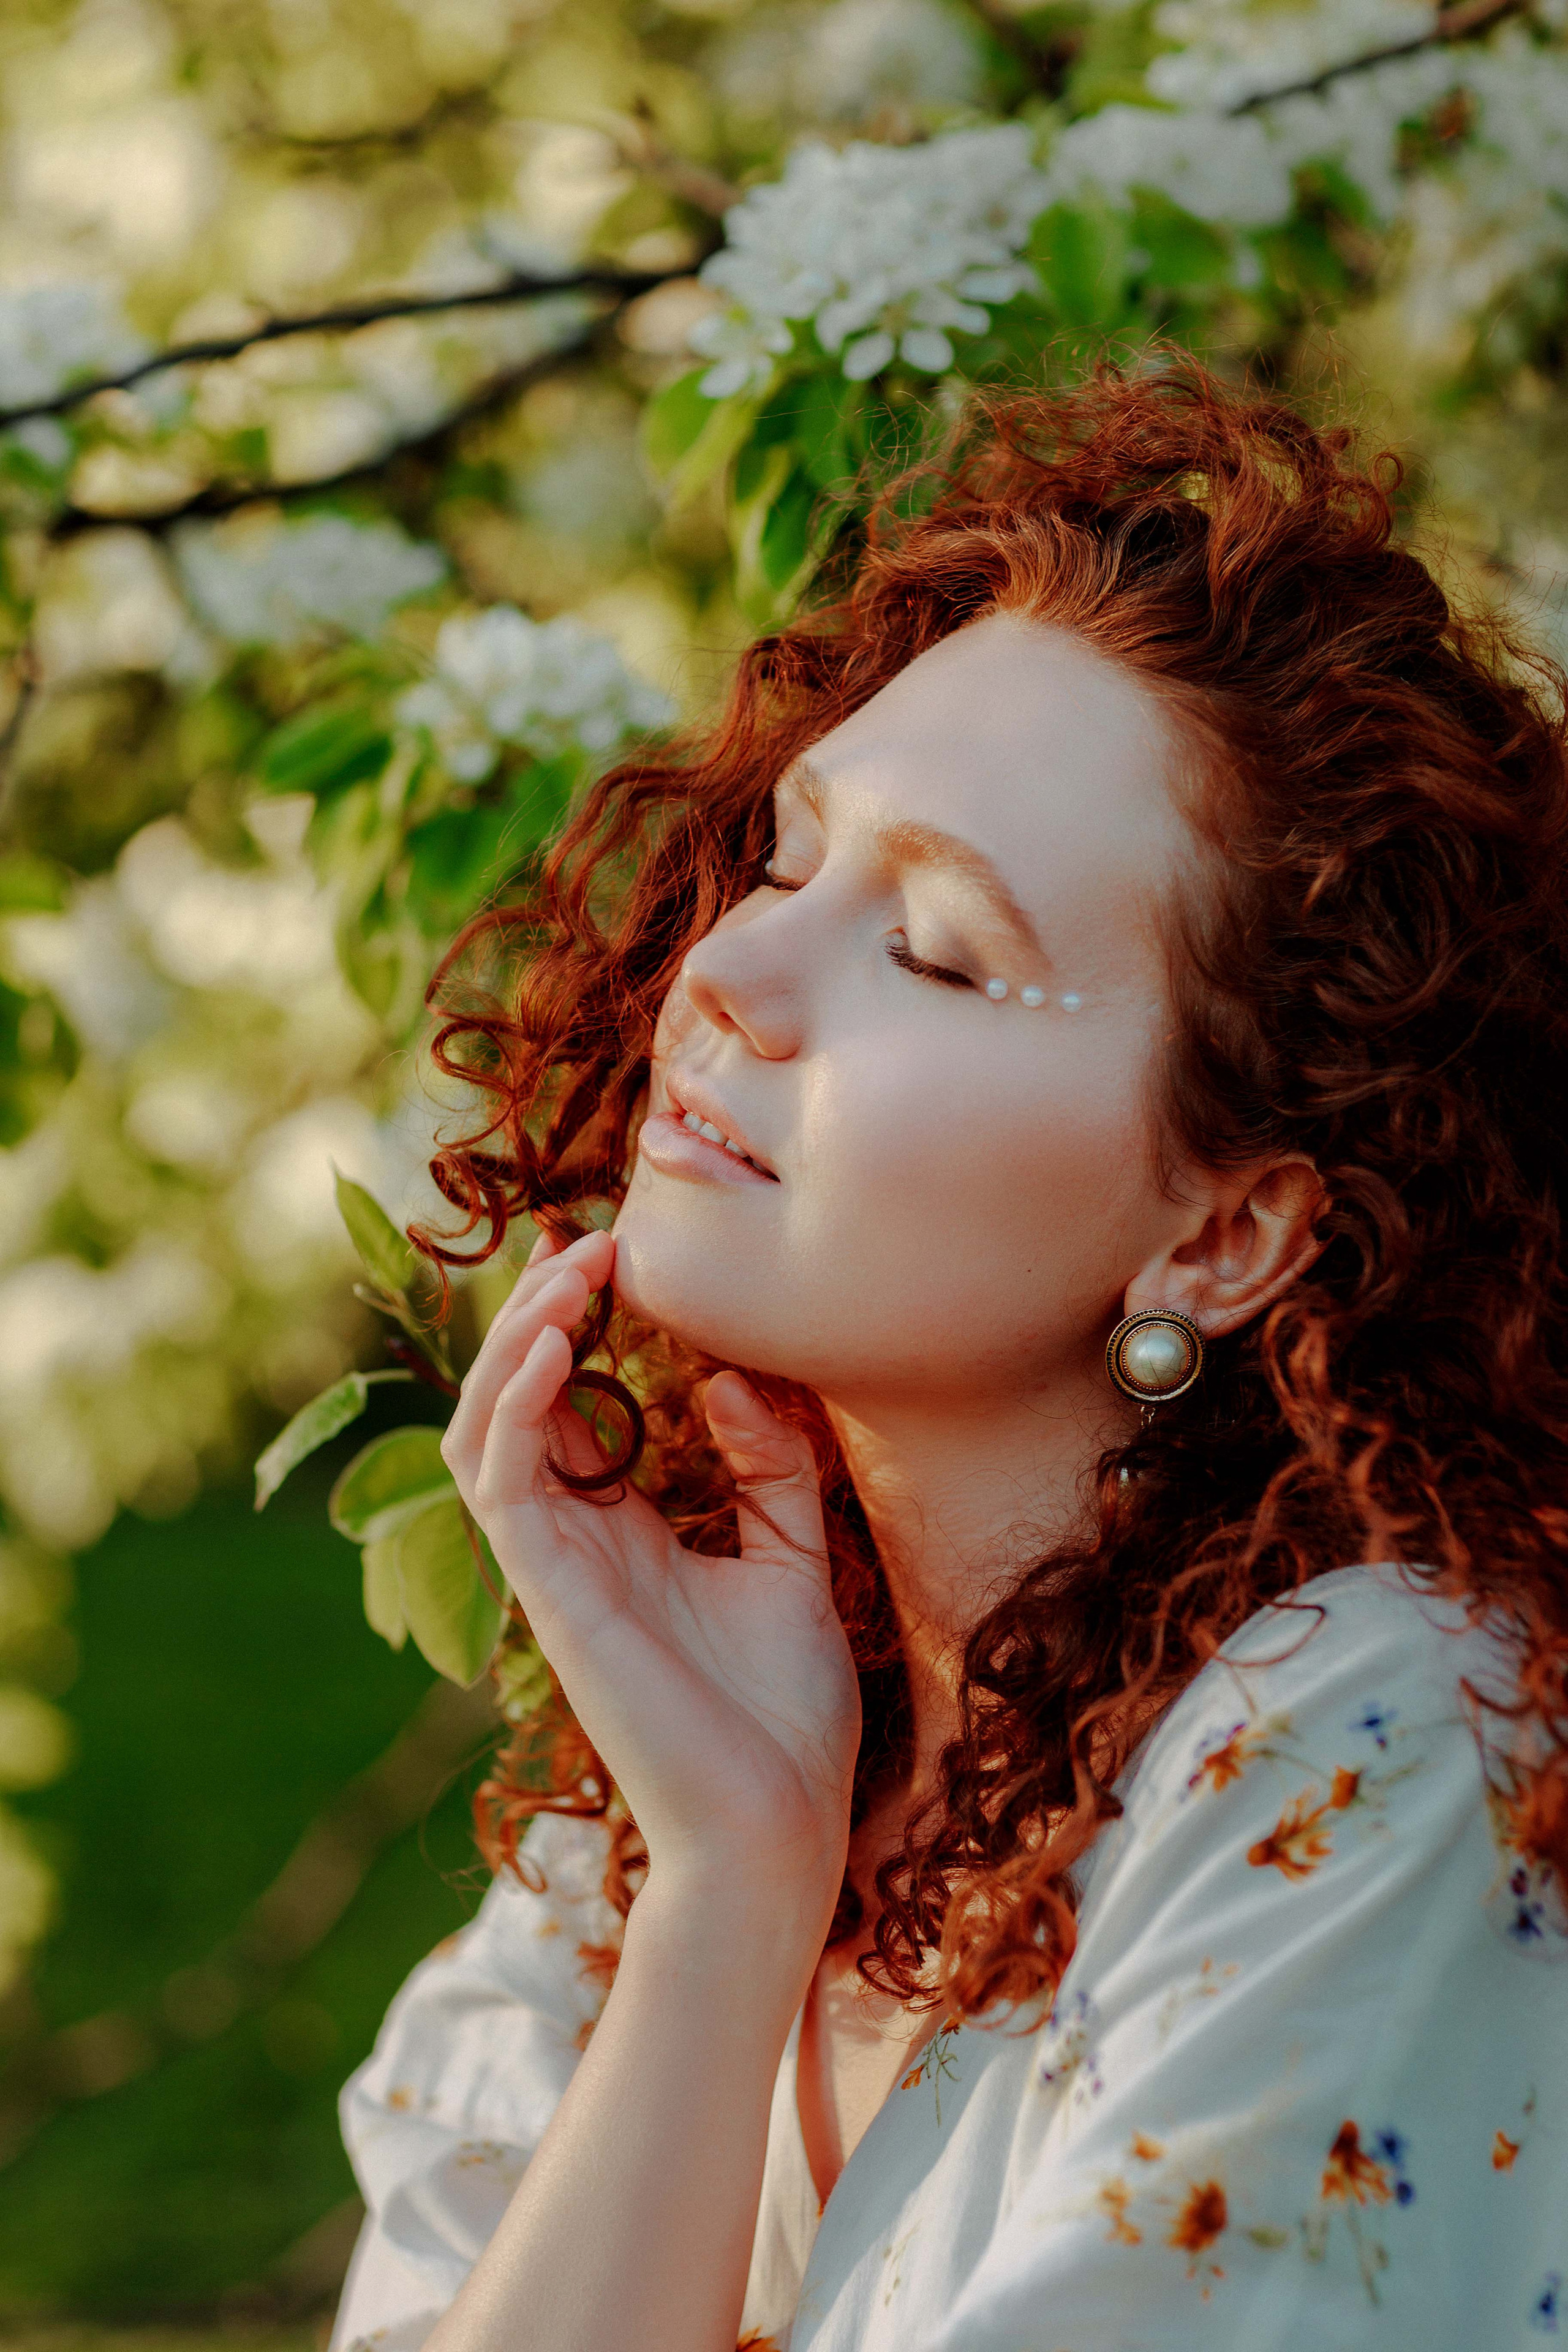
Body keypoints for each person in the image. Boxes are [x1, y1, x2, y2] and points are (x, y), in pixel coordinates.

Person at [329, 363, 1568, 2352]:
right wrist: (734, 1892)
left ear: (1227, 1229)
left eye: (936, 952)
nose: (725, 972)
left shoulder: (1383, 1745)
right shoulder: (627, 1847)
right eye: (797, 859)